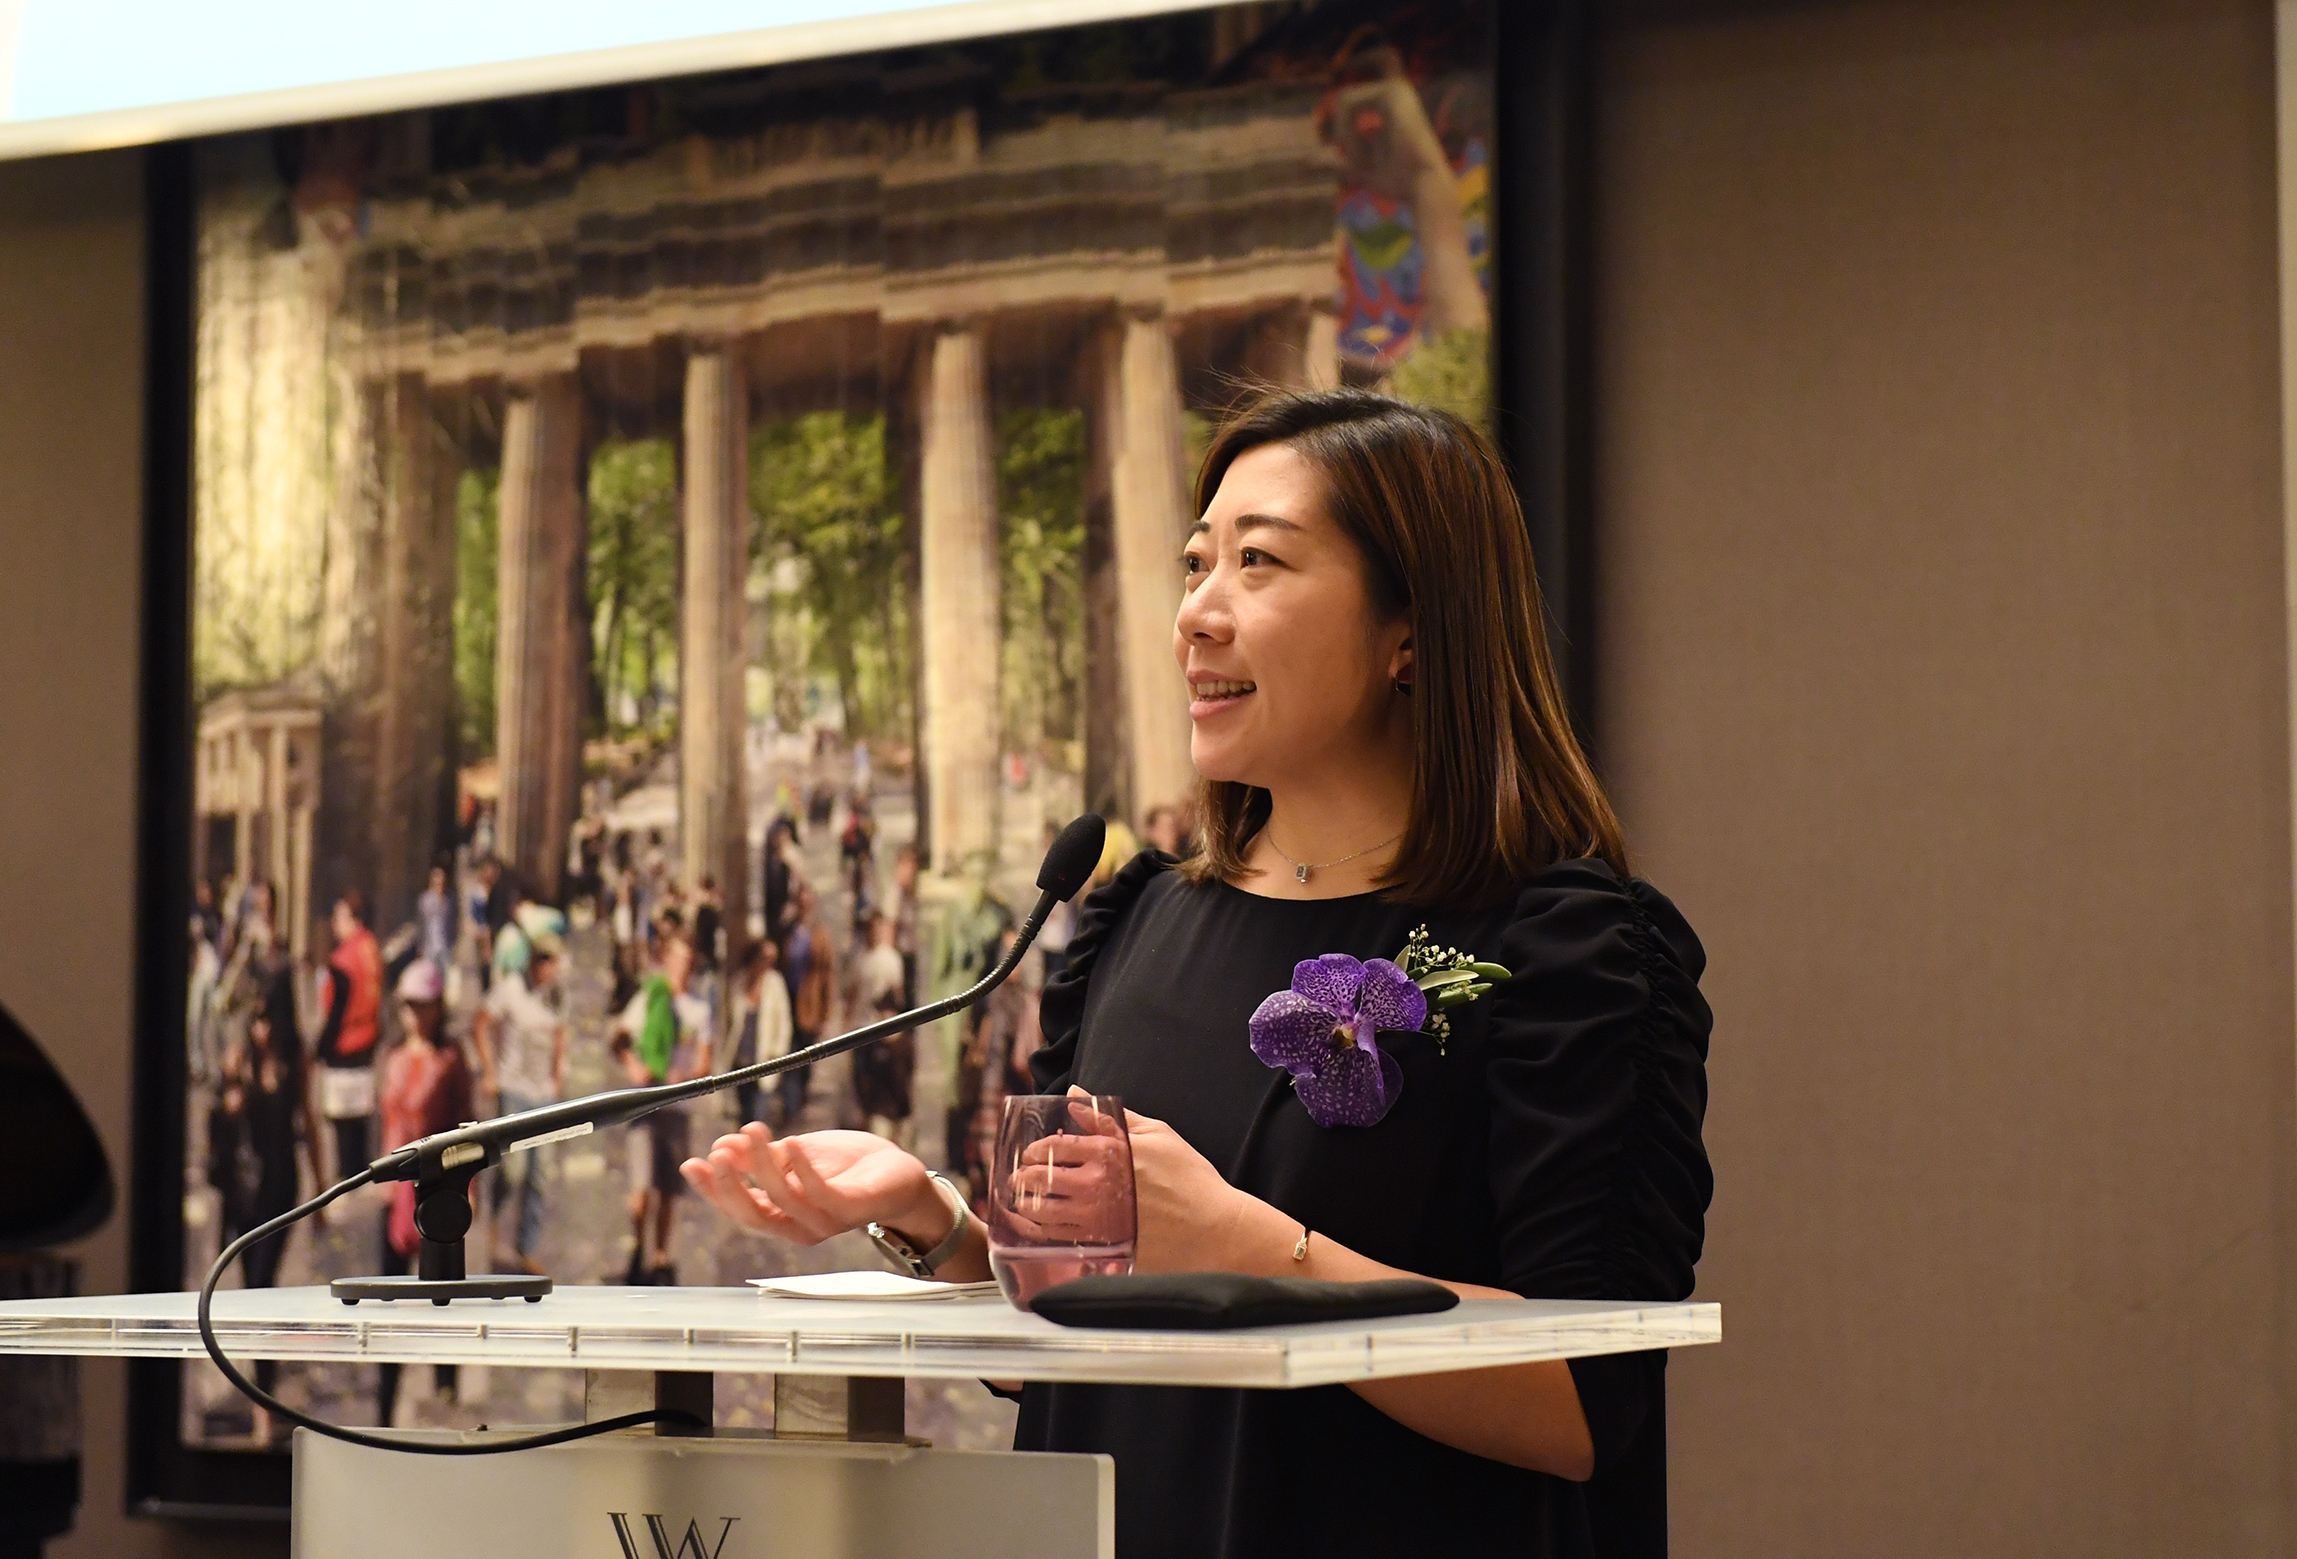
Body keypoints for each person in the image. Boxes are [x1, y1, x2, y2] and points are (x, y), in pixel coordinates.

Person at [681, 388, 1712, 1559]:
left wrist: (1241, 1239)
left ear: (1410, 630)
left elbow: (1583, 1400)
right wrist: (931, 1215)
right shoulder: (1133, 923)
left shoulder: (1566, 951)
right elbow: (1070, 1324)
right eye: (1192, 564)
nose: (1194, 615)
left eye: (1257, 562)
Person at [206, 969, 322, 1441]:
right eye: (256, 1019)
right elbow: (221, 1118)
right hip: (245, 1194)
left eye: (269, 1018)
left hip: (281, 1188)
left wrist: (324, 1189)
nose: (263, 1028)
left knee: (261, 1287)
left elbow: (309, 1121)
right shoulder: (241, 1059)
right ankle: (261, 1395)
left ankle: (262, 1404)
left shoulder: (295, 1061)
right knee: (250, 1286)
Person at [375, 959, 471, 1426]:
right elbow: (388, 1119)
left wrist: (464, 1190)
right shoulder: (392, 1056)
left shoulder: (450, 1061)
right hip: (393, 1195)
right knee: (385, 1297)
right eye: (409, 1005)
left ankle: (444, 1391)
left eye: (424, 1005)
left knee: (441, 1299)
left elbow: (467, 1129)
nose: (416, 1015)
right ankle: (384, 1398)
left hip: (434, 1193)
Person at [609, 931, 712, 1284]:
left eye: (686, 961)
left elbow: (705, 1059)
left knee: (669, 1189)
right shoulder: (650, 998)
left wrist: (685, 1075)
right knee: (640, 1189)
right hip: (645, 1104)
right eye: (675, 959)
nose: (680, 967)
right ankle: (638, 1246)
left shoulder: (698, 1009)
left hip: (677, 1107)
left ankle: (660, 1255)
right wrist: (636, 1068)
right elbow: (620, 1039)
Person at [472, 927, 567, 1275]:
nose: (547, 968)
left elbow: (559, 1034)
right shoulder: (511, 989)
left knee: (539, 1173)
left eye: (551, 960)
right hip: (513, 1089)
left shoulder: (557, 996)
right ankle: (494, 1232)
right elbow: (481, 1023)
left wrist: (557, 1078)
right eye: (542, 959)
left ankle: (526, 1247)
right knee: (511, 1171)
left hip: (542, 1094)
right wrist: (489, 1070)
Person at [312, 892, 384, 1179]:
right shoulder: (371, 948)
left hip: (344, 1045)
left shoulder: (342, 960)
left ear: (353, 920)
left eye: (339, 918)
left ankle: (347, 1175)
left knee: (342, 1118)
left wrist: (321, 1047)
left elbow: (335, 1011)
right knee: (361, 1117)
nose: (333, 924)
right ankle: (360, 1171)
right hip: (368, 1042)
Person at [847, 910, 914, 1147]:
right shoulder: (860, 958)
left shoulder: (891, 958)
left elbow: (897, 992)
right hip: (861, 1026)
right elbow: (852, 993)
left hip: (883, 1028)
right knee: (862, 1079)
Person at [779, 883, 836, 1127]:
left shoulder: (819, 934)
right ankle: (790, 1107)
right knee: (787, 1053)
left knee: (805, 1054)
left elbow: (827, 974)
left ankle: (798, 1099)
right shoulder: (788, 931)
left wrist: (825, 1011)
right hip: (787, 1001)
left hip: (809, 1003)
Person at [728, 939, 792, 1128]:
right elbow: (729, 1021)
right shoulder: (739, 982)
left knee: (758, 1118)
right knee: (743, 1116)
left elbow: (784, 1023)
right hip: (741, 1059)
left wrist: (779, 1053)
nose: (767, 964)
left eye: (772, 960)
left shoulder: (775, 984)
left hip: (764, 1060)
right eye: (764, 958)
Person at [416, 863, 456, 974]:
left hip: (445, 946)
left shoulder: (449, 900)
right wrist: (421, 946)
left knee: (445, 975)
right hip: (430, 945)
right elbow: (421, 923)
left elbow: (453, 922)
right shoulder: (425, 900)